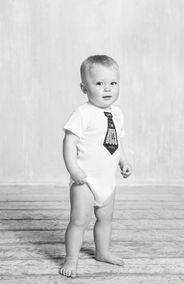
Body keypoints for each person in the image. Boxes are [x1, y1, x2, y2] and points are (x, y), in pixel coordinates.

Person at [59, 55, 132, 278]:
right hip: (86, 181)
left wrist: (123, 160)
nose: (107, 88)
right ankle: (71, 258)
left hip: (108, 180)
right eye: (99, 83)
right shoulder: (83, 113)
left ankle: (102, 251)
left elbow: (117, 141)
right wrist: (73, 170)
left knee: (105, 218)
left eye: (112, 83)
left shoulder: (117, 113)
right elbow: (69, 142)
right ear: (84, 87)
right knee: (79, 220)